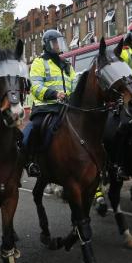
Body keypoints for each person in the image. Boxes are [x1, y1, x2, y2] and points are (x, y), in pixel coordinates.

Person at [23, 29, 75, 177]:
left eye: (59, 42)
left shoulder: (66, 64)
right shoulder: (39, 62)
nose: (58, 46)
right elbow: (36, 86)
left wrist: (74, 96)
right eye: (54, 43)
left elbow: (75, 83)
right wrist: (55, 94)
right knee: (34, 128)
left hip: (67, 106)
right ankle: (30, 159)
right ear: (47, 45)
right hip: (45, 107)